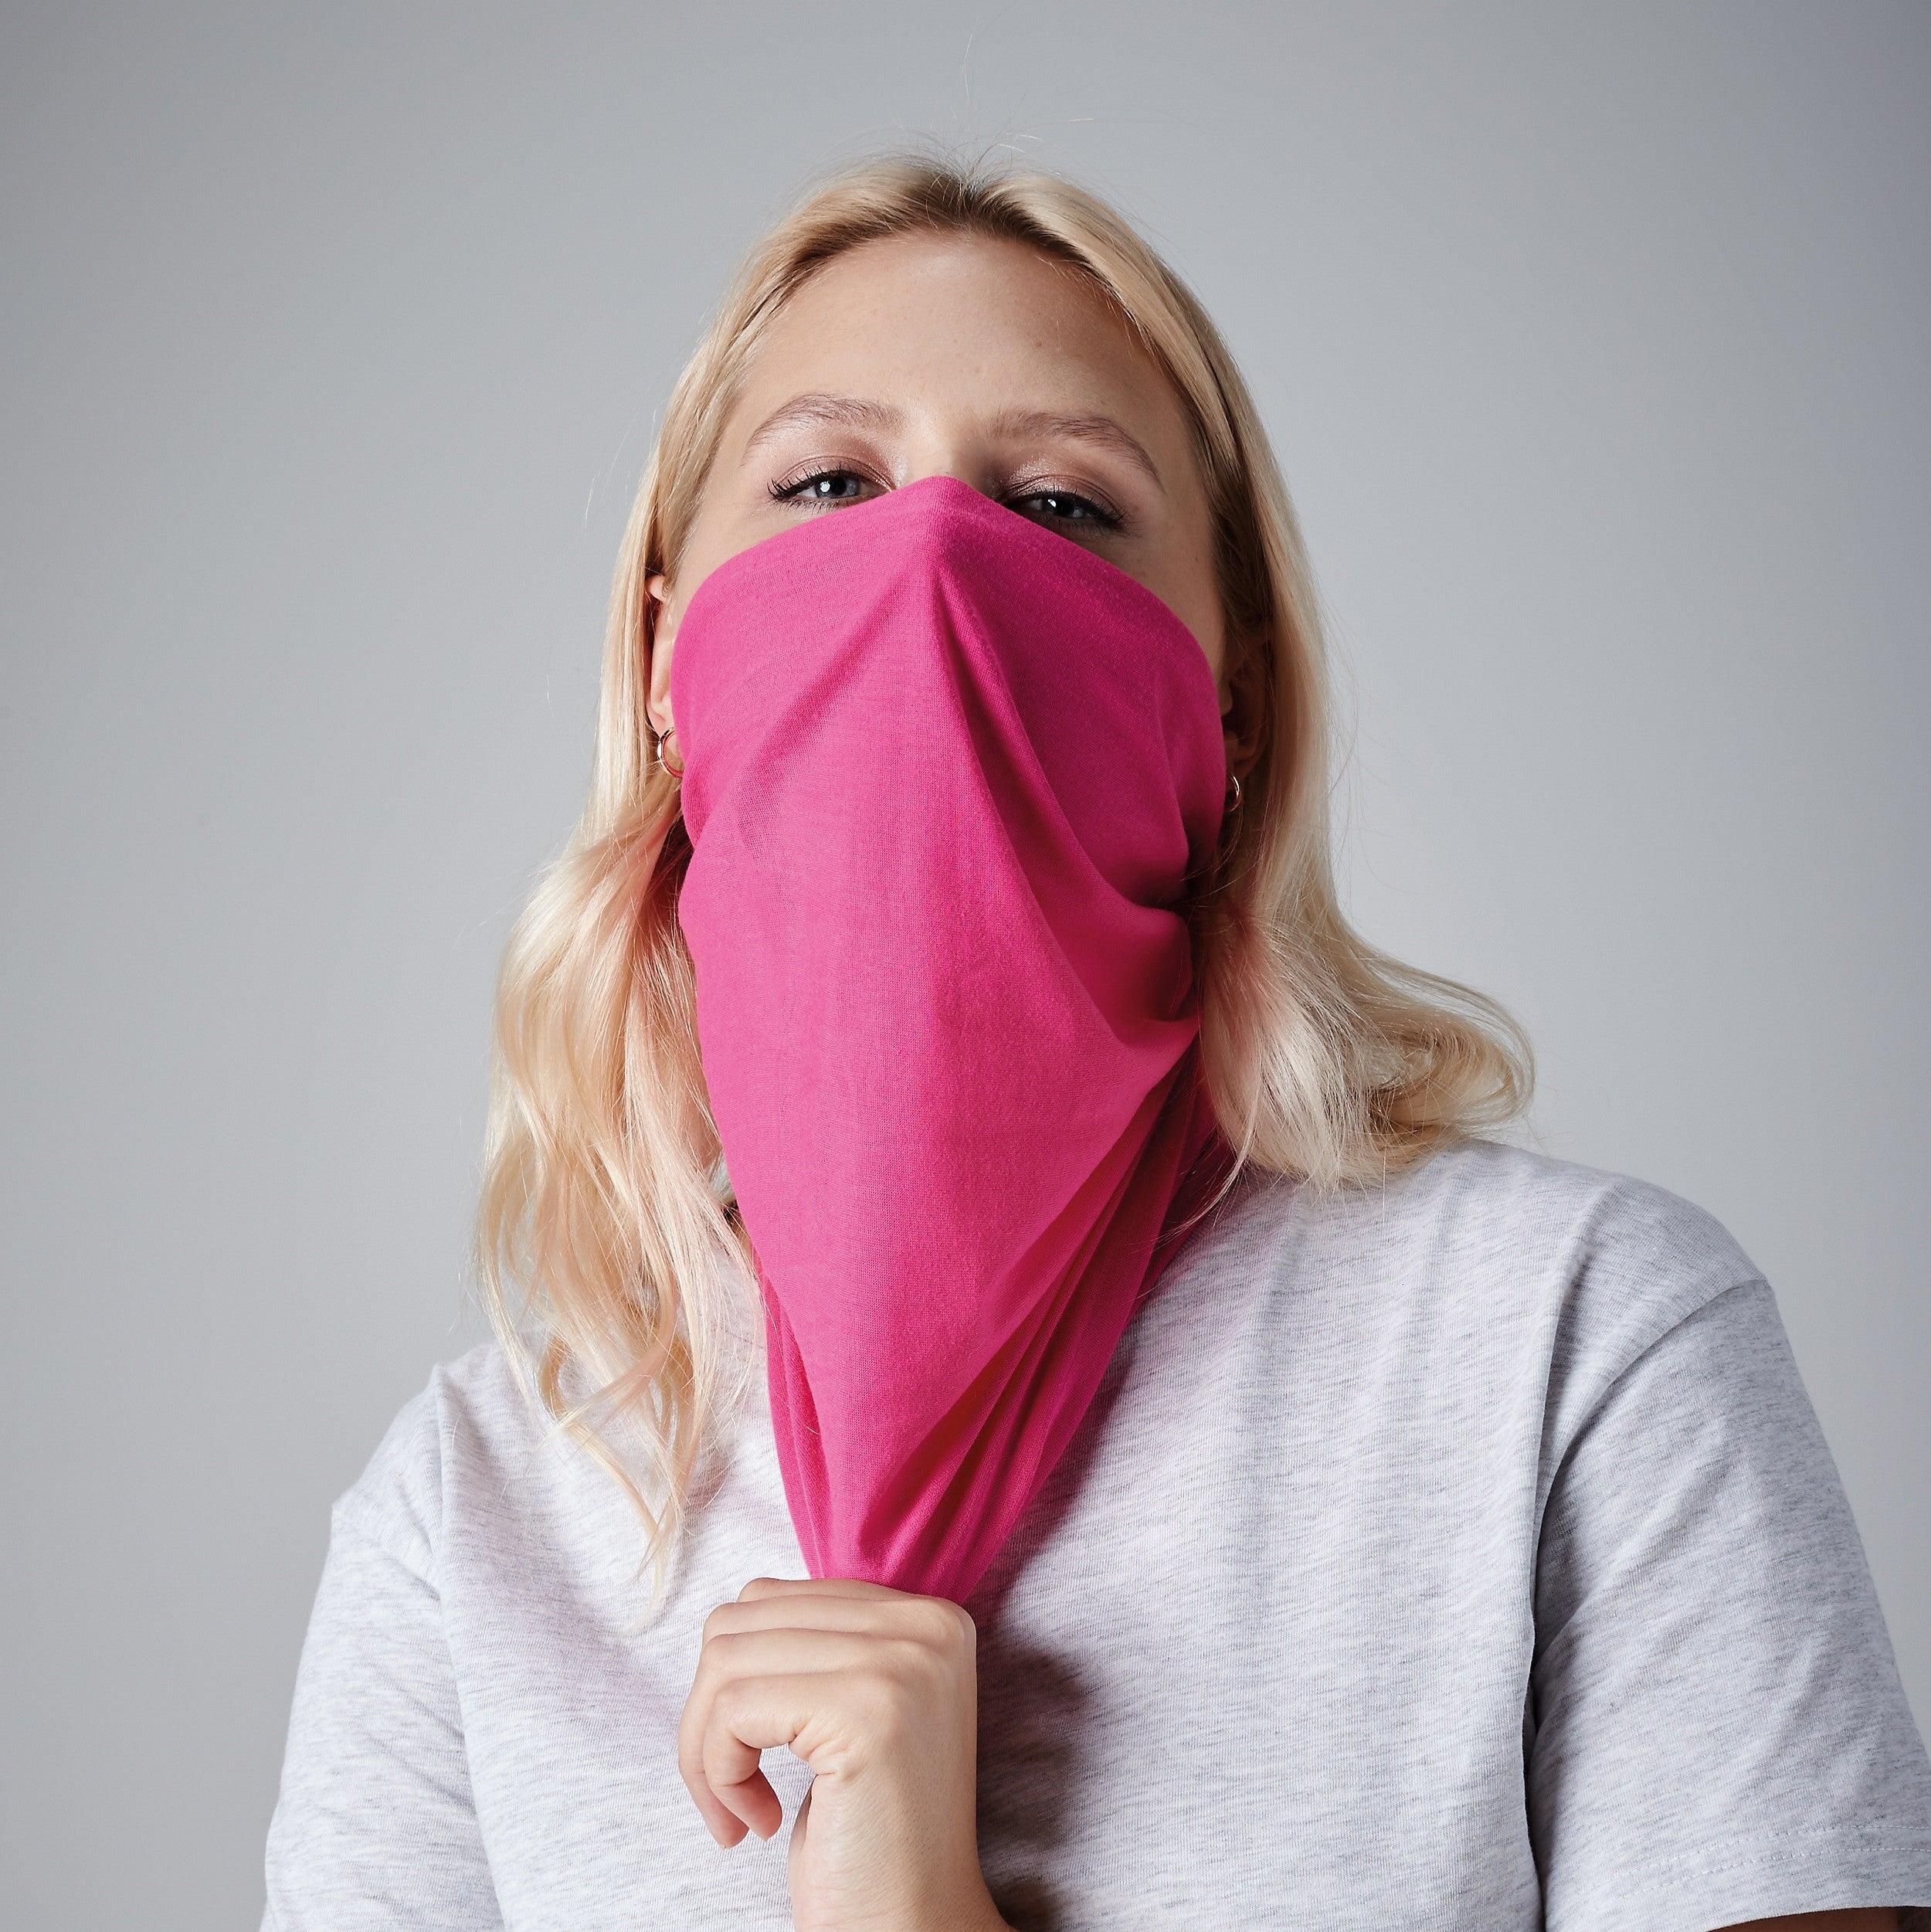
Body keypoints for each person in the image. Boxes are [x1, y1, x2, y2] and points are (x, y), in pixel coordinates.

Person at [259, 152, 1931, 1932]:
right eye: (825, 482)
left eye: (1059, 505)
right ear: (665, 657)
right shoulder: (472, 1519)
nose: (929, 563)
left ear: (1229, 697)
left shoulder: (1563, 1344)